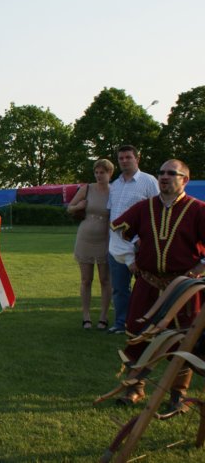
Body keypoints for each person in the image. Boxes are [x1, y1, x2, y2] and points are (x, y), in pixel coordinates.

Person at [109, 159, 205, 417]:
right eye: (161, 173)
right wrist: (129, 259)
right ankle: (135, 387)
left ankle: (178, 395)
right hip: (148, 284)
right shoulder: (144, 208)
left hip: (183, 288)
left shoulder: (198, 210)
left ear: (184, 179)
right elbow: (117, 233)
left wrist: (201, 266)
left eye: (171, 173)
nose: (164, 177)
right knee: (139, 334)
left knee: (184, 339)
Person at [106, 145, 159, 334]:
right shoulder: (115, 184)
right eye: (121, 158)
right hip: (116, 246)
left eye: (128, 157)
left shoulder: (149, 181)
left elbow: (157, 212)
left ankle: (145, 324)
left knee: (146, 288)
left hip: (139, 244)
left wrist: (144, 239)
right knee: (119, 288)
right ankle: (122, 323)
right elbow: (112, 214)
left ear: (137, 158)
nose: (124, 161)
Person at [67, 159, 114, 330]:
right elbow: (69, 208)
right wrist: (78, 206)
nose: (99, 175)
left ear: (110, 173)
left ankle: (103, 316)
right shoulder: (86, 189)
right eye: (97, 172)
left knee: (105, 280)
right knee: (86, 279)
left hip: (105, 239)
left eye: (103, 172)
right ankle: (86, 316)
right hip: (85, 238)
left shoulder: (115, 191)